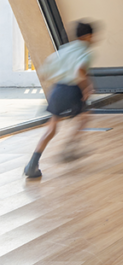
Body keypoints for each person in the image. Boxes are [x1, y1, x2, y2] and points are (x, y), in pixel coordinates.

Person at [24, 21, 99, 179]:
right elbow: (79, 71)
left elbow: (46, 71)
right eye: (92, 36)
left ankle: (33, 163)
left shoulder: (64, 49)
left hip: (57, 90)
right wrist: (87, 87)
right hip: (73, 90)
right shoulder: (86, 51)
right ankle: (70, 149)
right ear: (87, 36)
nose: (93, 39)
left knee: (52, 127)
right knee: (85, 117)